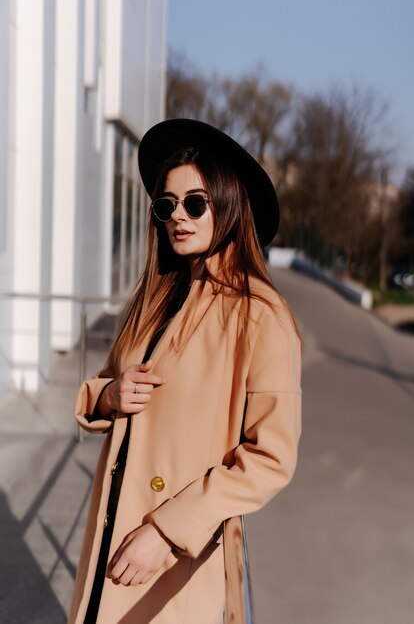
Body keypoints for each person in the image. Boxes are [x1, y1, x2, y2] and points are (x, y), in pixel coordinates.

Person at [68, 119, 302, 624]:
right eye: (166, 205)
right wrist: (108, 395)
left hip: (177, 557)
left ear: (229, 204)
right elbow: (104, 385)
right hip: (112, 536)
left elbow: (270, 457)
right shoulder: (154, 298)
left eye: (196, 202)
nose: (179, 216)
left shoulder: (259, 315)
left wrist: (167, 530)